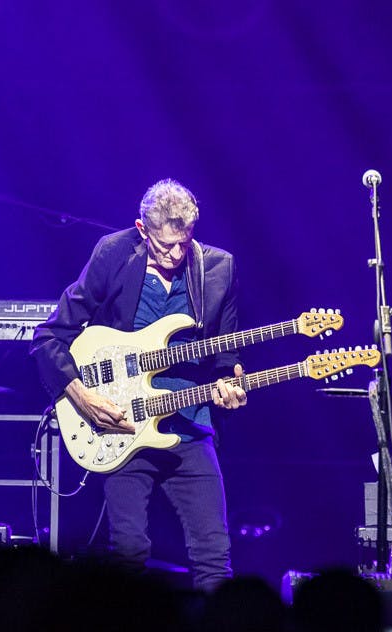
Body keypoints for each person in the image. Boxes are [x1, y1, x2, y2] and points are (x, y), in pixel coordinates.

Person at [30, 178, 246, 590]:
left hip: (188, 420)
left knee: (214, 556)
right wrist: (82, 397)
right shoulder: (113, 254)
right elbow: (49, 338)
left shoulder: (218, 268)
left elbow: (226, 356)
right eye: (165, 246)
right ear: (142, 230)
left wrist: (230, 384)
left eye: (184, 243)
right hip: (123, 424)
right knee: (128, 553)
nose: (176, 254)